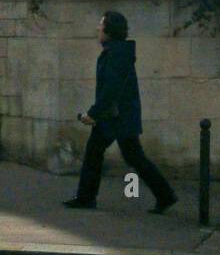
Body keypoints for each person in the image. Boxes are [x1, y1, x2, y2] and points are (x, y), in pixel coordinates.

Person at [64, 11, 177, 214]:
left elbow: (111, 89)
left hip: (116, 116)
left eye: (101, 24)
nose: (98, 28)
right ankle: (165, 195)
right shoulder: (117, 52)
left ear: (109, 30)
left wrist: (93, 113)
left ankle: (86, 197)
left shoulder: (116, 54)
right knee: (128, 155)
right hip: (119, 115)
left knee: (108, 153)